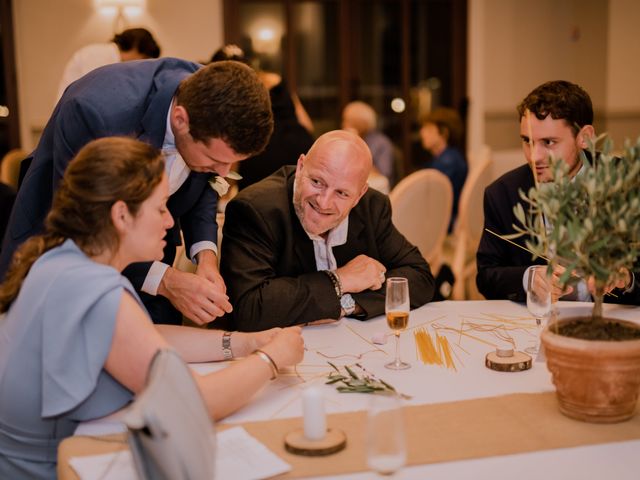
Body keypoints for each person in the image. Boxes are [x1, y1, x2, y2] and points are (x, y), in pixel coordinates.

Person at [0, 137, 304, 479]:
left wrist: (243, 342)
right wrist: (272, 358)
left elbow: (143, 337)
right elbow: (195, 402)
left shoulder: (62, 259)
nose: (170, 223)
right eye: (160, 208)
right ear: (121, 215)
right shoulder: (96, 290)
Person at [0, 58, 274, 326]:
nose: (223, 173)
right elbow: (84, 226)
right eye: (214, 160)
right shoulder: (94, 112)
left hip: (152, 249)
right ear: (180, 120)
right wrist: (166, 281)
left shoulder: (212, 97)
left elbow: (205, 182)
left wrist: (206, 258)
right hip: (66, 253)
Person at [220, 130, 435, 331]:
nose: (324, 202)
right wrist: (340, 280)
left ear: (359, 195)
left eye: (341, 193)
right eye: (317, 182)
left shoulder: (371, 207)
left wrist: (347, 304)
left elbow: (419, 277)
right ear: (301, 165)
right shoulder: (255, 209)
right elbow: (248, 308)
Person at [476, 80, 640, 303]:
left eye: (549, 142)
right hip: (537, 324)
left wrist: (627, 279)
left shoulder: (627, 183)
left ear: (585, 138)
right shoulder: (503, 193)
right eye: (527, 141)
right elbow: (486, 277)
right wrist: (527, 279)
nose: (534, 157)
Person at [210, 44, 315, 191]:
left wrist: (225, 188)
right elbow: (307, 123)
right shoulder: (277, 79)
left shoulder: (233, 91)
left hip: (261, 156)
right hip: (299, 149)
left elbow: (233, 140)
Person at [57, 27, 161, 100]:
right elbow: (92, 96)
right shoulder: (98, 54)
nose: (141, 64)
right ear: (136, 47)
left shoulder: (109, 57)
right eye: (144, 58)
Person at [419, 107, 468, 232]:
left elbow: (432, 199)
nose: (422, 133)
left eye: (429, 129)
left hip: (442, 223)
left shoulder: (447, 162)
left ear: (444, 133)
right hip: (442, 218)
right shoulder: (448, 157)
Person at [342, 101, 395, 191]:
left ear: (359, 123)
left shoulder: (381, 143)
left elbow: (383, 174)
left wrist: (355, 145)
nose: (343, 124)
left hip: (373, 190)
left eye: (347, 121)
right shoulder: (346, 139)